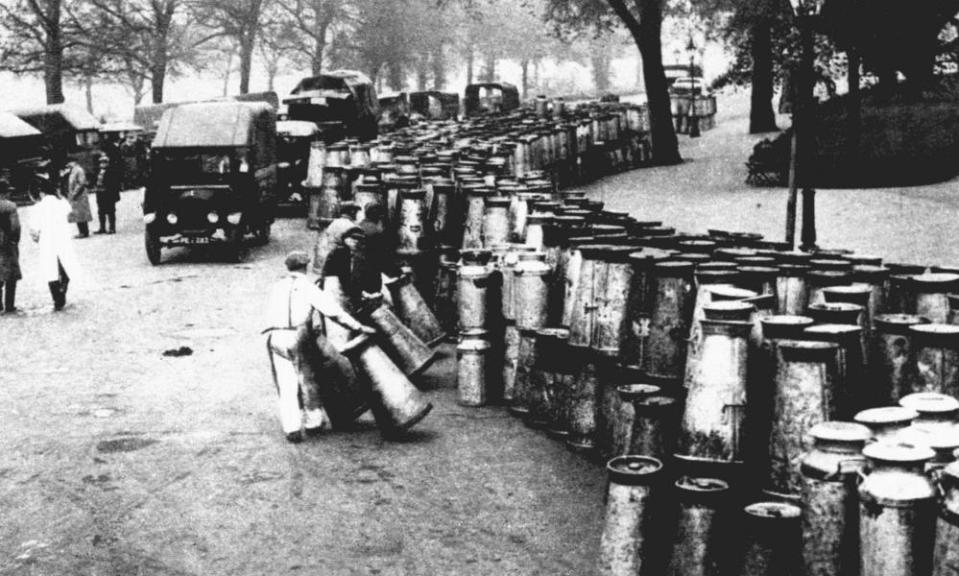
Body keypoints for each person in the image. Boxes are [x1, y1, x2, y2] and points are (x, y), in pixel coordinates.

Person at [262, 250, 375, 443]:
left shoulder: (277, 287)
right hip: (297, 334)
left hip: (274, 336)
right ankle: (313, 422)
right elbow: (334, 313)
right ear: (305, 266)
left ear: (288, 268)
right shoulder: (308, 287)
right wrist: (359, 326)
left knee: (286, 383)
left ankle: (292, 428)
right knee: (307, 379)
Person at [31, 184, 79, 311]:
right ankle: (64, 284)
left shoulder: (38, 207)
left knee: (50, 269)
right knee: (65, 263)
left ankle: (57, 298)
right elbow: (70, 213)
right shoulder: (61, 202)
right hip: (63, 238)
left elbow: (34, 230)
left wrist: (36, 237)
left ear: (41, 193)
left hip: (47, 241)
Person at [0, 181, 22, 313]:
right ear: (4, 192)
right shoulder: (10, 206)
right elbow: (15, 227)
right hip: (7, 243)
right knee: (11, 274)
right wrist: (15, 241)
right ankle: (9, 305)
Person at [95, 137, 122, 234]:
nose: (102, 164)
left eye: (104, 162)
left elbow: (114, 185)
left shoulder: (112, 172)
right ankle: (102, 228)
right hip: (100, 192)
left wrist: (115, 195)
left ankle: (112, 228)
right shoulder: (98, 172)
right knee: (101, 211)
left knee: (110, 211)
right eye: (101, 162)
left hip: (108, 193)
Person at [61, 157, 92, 238]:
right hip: (75, 195)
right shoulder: (72, 171)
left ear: (74, 162)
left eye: (69, 163)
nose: (68, 165)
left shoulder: (78, 170)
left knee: (81, 213)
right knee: (77, 214)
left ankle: (84, 232)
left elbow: (81, 183)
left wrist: (74, 193)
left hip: (80, 195)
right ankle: (82, 231)